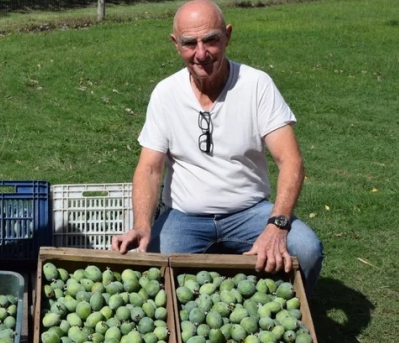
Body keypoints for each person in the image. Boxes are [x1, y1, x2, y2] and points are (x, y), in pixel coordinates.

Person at [111, 0, 323, 295]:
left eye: (211, 39)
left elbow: (291, 162)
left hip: (249, 210)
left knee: (306, 249)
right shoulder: (166, 94)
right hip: (185, 216)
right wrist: (143, 225)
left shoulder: (256, 85)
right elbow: (148, 168)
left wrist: (276, 225)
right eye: (189, 43)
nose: (201, 54)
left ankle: (295, 315)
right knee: (154, 267)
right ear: (175, 44)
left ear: (228, 36)